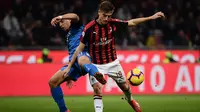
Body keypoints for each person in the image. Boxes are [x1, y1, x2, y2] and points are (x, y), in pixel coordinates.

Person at [64, 1, 165, 112]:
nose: (106, 18)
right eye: (104, 15)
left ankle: (131, 100)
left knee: (125, 87)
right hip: (96, 65)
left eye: (109, 16)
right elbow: (79, 49)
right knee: (97, 88)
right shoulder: (89, 28)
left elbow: (131, 22)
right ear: (99, 12)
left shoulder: (113, 23)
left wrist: (151, 17)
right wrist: (69, 66)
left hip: (113, 63)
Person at [48, 13, 106, 112]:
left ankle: (96, 73)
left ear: (69, 20)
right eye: (60, 23)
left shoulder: (77, 27)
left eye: (62, 22)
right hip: (74, 64)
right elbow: (72, 53)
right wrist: (69, 75)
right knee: (53, 82)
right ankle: (64, 110)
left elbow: (75, 16)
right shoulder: (69, 34)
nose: (61, 25)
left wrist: (61, 17)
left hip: (84, 56)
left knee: (81, 60)